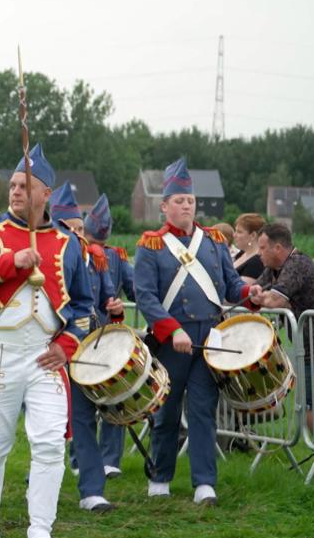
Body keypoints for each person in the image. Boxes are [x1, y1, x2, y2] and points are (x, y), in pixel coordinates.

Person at [0, 144, 92, 538]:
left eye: (23, 186)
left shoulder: (68, 243)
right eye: (12, 185)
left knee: (49, 443)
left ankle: (41, 529)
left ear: (45, 193)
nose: (14, 192)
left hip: (45, 357)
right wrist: (10, 261)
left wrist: (68, 344)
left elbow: (83, 306)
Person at [134, 157, 252, 506]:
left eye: (191, 201)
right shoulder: (151, 245)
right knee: (167, 411)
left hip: (208, 339)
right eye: (180, 201)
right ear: (165, 206)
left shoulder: (213, 241)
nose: (187, 206)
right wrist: (172, 331)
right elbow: (146, 296)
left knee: (203, 409)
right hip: (172, 341)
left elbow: (230, 286)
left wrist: (250, 294)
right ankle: (161, 477)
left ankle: (204, 483)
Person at [50, 183, 124, 514]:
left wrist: (115, 306)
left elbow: (106, 297)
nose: (77, 234)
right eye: (70, 228)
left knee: (82, 417)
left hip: (83, 348)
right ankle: (38, 480)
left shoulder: (94, 257)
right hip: (47, 350)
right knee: (44, 422)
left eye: (80, 228)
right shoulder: (45, 256)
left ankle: (92, 490)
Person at [249, 223, 314, 475]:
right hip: (310, 347)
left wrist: (261, 298)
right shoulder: (273, 269)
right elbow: (256, 291)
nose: (259, 254)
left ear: (278, 248)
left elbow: (274, 300)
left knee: (309, 410)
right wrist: (257, 294)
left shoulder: (297, 264)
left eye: (263, 248)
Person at [83, 193, 133, 477]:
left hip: (108, 334)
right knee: (84, 403)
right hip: (80, 336)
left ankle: (110, 459)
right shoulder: (74, 253)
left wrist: (118, 305)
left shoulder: (115, 257)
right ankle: (83, 460)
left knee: (113, 397)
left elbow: (135, 288)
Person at [232, 213, 266, 283]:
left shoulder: (257, 262)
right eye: (235, 231)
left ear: (253, 235)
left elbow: (242, 289)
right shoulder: (240, 254)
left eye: (239, 232)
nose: (234, 235)